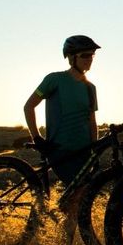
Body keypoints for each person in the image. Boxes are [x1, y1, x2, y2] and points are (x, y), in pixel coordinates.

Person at [23, 35, 101, 186]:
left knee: (83, 196)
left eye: (92, 55)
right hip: (60, 150)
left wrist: (95, 150)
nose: (89, 59)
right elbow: (29, 106)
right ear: (71, 57)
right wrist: (37, 138)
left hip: (84, 152)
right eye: (84, 55)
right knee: (79, 193)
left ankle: (57, 210)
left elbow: (92, 121)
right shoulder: (54, 80)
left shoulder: (90, 88)